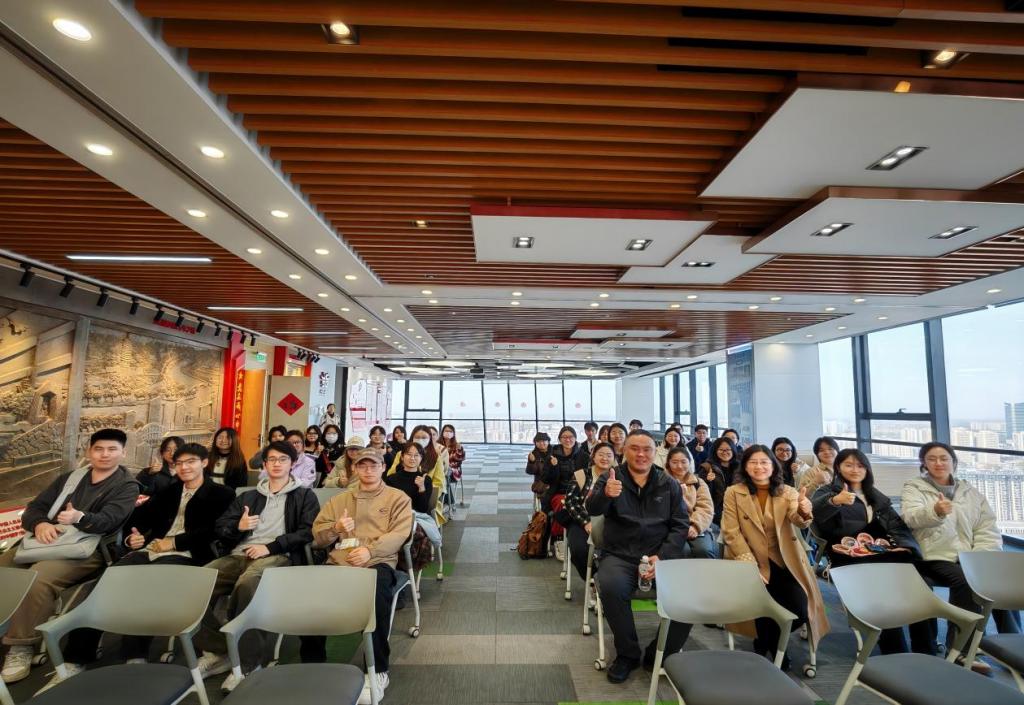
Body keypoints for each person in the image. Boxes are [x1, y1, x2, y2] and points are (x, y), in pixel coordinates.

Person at [50, 443, 236, 684]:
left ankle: (135, 653)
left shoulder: (222, 494)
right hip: (152, 550)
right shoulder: (170, 490)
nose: (184, 467)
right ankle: (76, 656)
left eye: (191, 462)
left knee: (147, 585)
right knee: (105, 581)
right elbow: (139, 518)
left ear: (204, 463)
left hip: (189, 554)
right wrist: (134, 537)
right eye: (179, 463)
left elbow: (217, 530)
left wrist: (175, 542)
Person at [1, 429, 141, 684]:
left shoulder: (126, 485)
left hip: (87, 548)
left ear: (123, 453)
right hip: (47, 539)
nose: (105, 454)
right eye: (99, 449)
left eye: (112, 449)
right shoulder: (71, 478)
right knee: (4, 567)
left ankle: (21, 645)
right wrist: (41, 524)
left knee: (39, 578)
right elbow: (35, 508)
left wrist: (79, 517)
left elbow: (110, 520)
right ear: (89, 451)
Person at [194, 440, 319, 691]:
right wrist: (238, 527)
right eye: (271, 459)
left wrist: (270, 547)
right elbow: (222, 527)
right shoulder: (248, 496)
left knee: (248, 583)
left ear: (293, 463)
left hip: (278, 555)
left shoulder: (305, 495)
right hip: (239, 554)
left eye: (283, 459)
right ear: (264, 464)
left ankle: (247, 663)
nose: (276, 464)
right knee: (194, 584)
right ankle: (222, 649)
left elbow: (307, 532)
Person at [901, 441, 1020, 667]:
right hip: (933, 556)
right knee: (967, 580)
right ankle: (961, 649)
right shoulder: (915, 488)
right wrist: (935, 511)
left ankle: (1013, 648)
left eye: (944, 458)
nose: (938, 463)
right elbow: (911, 518)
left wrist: (981, 558)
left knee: (997, 578)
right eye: (932, 459)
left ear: (954, 462)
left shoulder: (969, 492)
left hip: (969, 556)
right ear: (924, 464)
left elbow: (987, 528)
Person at [308, 447, 413, 703]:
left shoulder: (397, 498)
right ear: (354, 468)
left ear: (383, 468)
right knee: (311, 595)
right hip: (340, 561)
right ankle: (312, 664)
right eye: (362, 466)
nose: (368, 470)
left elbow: (399, 534)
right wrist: (335, 528)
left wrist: (370, 551)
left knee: (375, 596)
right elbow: (318, 538)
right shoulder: (340, 500)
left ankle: (376, 670)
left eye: (373, 465)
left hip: (378, 561)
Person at [586, 430, 691, 683]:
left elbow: (680, 524)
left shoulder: (668, 483)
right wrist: (605, 494)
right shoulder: (611, 477)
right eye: (634, 448)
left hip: (659, 555)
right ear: (624, 451)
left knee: (689, 594)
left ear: (655, 453)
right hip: (620, 554)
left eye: (647, 449)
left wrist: (663, 555)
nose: (641, 454)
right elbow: (592, 508)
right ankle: (628, 654)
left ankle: (660, 652)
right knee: (611, 586)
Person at [811, 449, 933, 655]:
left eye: (860, 465)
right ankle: (896, 652)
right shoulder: (827, 492)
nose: (855, 470)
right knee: (883, 592)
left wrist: (906, 546)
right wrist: (835, 502)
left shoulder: (875, 496)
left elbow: (897, 526)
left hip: (882, 552)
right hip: (848, 555)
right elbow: (813, 515)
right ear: (838, 467)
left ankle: (925, 649)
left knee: (920, 585)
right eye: (848, 465)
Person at [721, 445, 829, 670]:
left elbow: (798, 520)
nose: (758, 467)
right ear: (745, 466)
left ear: (773, 466)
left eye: (764, 462)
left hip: (784, 560)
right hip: (749, 559)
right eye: (753, 462)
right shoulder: (733, 492)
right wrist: (749, 563)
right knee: (761, 606)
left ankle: (768, 642)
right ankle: (777, 649)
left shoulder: (787, 491)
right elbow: (731, 531)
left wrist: (804, 509)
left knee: (800, 609)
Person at [563, 442, 615, 580]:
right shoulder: (582, 475)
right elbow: (570, 501)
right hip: (581, 520)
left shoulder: (619, 476)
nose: (605, 458)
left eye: (609, 455)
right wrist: (586, 522)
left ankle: (608, 579)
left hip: (611, 521)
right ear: (593, 456)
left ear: (614, 458)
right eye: (601, 454)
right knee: (579, 550)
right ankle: (593, 580)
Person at [385, 441, 440, 547]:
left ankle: (408, 556)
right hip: (396, 517)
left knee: (415, 533)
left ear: (421, 458)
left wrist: (421, 487)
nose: (412, 458)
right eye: (409, 455)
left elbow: (422, 509)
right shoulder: (391, 479)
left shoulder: (425, 479)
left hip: (417, 517)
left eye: (416, 455)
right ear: (402, 457)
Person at [664, 447, 716, 558]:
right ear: (668, 463)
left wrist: (695, 526)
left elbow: (706, 507)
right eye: (675, 462)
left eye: (683, 462)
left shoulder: (698, 482)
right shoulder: (661, 482)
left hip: (695, 526)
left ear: (689, 462)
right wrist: (677, 495)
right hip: (671, 528)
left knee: (704, 550)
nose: (679, 466)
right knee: (681, 551)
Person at [388, 425, 445, 524]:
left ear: (430, 439)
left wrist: (424, 488)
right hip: (400, 496)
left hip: (425, 497)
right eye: (417, 437)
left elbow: (439, 482)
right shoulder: (401, 454)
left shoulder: (435, 457)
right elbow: (391, 474)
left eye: (424, 437)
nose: (420, 440)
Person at [699, 436, 738, 526]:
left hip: (737, 506)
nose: (725, 452)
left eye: (728, 449)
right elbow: (701, 493)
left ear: (733, 450)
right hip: (717, 510)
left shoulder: (739, 467)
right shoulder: (707, 468)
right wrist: (707, 481)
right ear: (715, 451)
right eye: (721, 450)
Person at [525, 432, 554, 509]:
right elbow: (529, 471)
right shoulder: (533, 454)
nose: (541, 443)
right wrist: (532, 462)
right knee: (545, 502)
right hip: (541, 483)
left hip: (555, 481)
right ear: (535, 443)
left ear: (548, 441)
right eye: (538, 441)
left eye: (544, 441)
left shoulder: (555, 451)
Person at [441, 424, 465, 498]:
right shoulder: (437, 445)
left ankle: (448, 501)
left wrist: (459, 450)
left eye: (450, 431)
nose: (448, 433)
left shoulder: (457, 446)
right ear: (442, 432)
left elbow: (460, 459)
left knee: (444, 475)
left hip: (452, 471)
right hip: (440, 469)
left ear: (453, 433)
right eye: (446, 431)